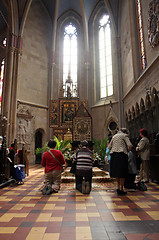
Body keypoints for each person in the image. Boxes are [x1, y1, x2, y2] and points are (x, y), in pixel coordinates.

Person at [108, 128, 133, 195]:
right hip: (122, 155)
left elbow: (109, 147)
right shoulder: (124, 136)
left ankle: (118, 187)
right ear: (125, 132)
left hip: (114, 155)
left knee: (117, 172)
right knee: (122, 172)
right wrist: (127, 150)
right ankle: (122, 188)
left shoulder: (114, 136)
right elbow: (130, 145)